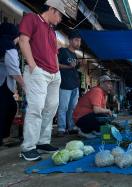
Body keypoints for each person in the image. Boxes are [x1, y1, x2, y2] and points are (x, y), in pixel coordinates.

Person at [18, 0, 69, 161]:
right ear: (52, 9)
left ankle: (42, 141)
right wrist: (33, 66)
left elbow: (54, 54)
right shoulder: (32, 19)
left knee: (51, 108)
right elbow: (23, 40)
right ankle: (28, 147)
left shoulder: (52, 31)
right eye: (60, 15)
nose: (60, 19)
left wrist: (57, 71)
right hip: (38, 71)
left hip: (54, 74)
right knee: (36, 108)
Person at [0, 22, 24, 147]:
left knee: (8, 107)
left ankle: (4, 137)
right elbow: (13, 69)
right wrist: (24, 84)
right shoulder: (9, 46)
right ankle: (3, 137)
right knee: (8, 108)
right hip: (2, 82)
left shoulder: (2, 43)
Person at [57, 30, 81, 137]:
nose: (78, 43)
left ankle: (71, 127)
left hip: (75, 85)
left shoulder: (74, 55)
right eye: (76, 40)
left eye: (79, 41)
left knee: (73, 108)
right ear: (70, 41)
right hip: (64, 84)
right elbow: (56, 65)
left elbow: (74, 68)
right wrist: (69, 66)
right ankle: (61, 128)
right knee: (63, 107)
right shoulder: (62, 51)